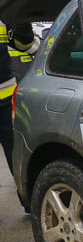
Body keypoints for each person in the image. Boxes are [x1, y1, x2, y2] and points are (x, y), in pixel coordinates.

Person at [0, 18, 39, 176]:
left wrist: (23, 21)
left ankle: (27, 200)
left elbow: (25, 45)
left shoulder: (4, 7)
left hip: (6, 102)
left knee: (21, 167)